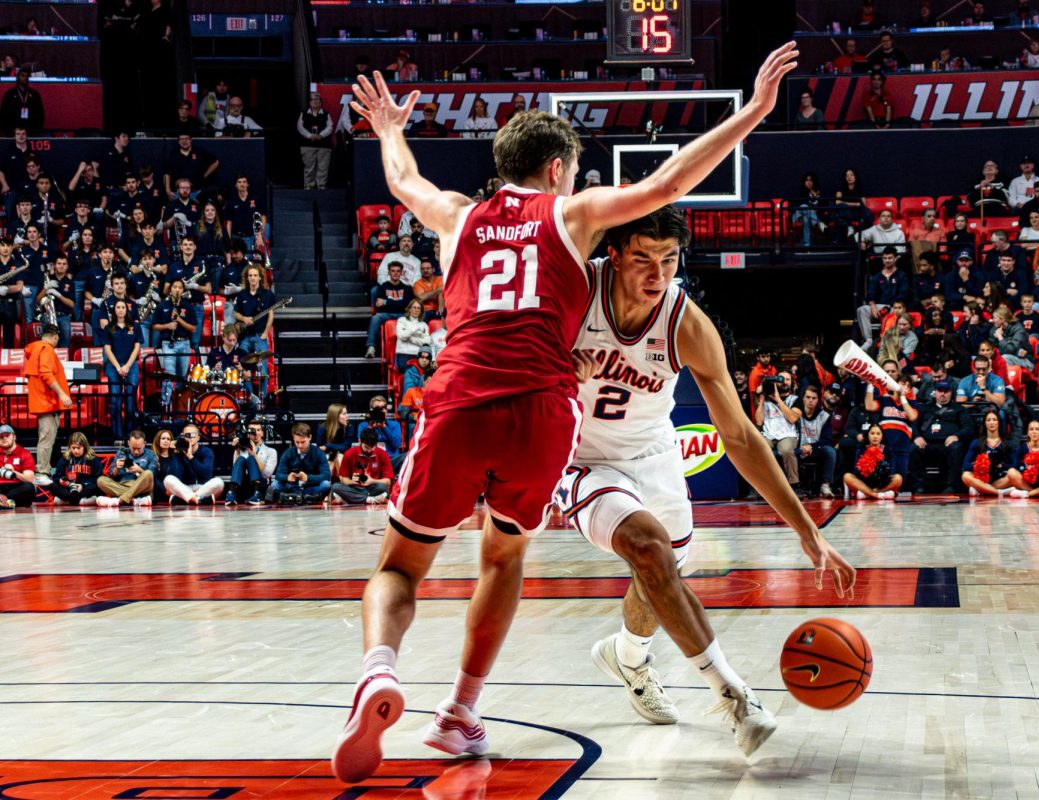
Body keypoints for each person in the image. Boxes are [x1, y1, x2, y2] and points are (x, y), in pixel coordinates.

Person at [333, 44, 809, 783]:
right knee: (502, 558)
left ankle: (379, 670)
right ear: (558, 169)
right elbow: (669, 181)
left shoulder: (457, 215)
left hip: (461, 397)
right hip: (544, 415)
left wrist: (391, 129)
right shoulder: (573, 214)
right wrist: (752, 112)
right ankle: (460, 709)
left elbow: (402, 180)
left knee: (399, 566)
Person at [556, 207, 853, 751]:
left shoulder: (686, 323)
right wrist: (551, 368)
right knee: (650, 550)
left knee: (661, 575)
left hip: (656, 455)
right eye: (642, 259)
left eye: (668, 260)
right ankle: (735, 697)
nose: (657, 275)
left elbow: (739, 435)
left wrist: (807, 530)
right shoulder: (574, 291)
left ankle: (627, 657)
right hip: (581, 458)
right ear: (613, 255)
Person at [24, 323, 70, 476]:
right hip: (48, 402)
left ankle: (44, 469)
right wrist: (62, 394)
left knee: (46, 438)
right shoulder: (47, 349)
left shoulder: (36, 348)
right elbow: (46, 374)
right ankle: (42, 471)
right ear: (55, 337)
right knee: (46, 439)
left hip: (44, 402)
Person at [909, 381, 971, 493]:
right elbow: (913, 425)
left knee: (957, 448)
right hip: (927, 444)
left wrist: (957, 436)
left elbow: (969, 427)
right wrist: (917, 437)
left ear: (951, 393)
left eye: (946, 391)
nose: (943, 394)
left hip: (948, 445)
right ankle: (919, 486)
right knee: (912, 448)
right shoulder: (924, 408)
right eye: (940, 391)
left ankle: (952, 486)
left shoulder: (959, 409)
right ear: (935, 392)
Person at [864, 371, 918, 491]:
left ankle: (883, 493)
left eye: (909, 386)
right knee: (881, 478)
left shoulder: (912, 403)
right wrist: (870, 385)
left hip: (902, 448)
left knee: (899, 483)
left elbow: (912, 417)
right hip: (884, 448)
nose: (905, 387)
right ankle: (876, 492)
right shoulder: (885, 399)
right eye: (903, 383)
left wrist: (903, 397)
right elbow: (869, 406)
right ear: (895, 384)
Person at [101, 298, 142, 440]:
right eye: (118, 307)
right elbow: (107, 349)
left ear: (126, 309)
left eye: (123, 307)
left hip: (131, 366)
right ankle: (117, 436)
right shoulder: (109, 328)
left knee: (130, 403)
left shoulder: (134, 327)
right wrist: (119, 367)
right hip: (114, 367)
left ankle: (131, 436)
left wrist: (127, 366)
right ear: (114, 310)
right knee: (115, 402)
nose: (120, 310)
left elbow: (137, 347)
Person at [152, 279, 197, 410]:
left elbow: (193, 328)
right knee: (169, 375)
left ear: (183, 291)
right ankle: (165, 406)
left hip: (184, 343)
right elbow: (154, 326)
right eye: (175, 287)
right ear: (170, 289)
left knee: (181, 377)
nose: (177, 290)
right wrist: (167, 326)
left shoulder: (188, 306)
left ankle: (178, 406)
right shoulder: (162, 306)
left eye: (180, 287)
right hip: (168, 343)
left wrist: (179, 320)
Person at [754, 371, 801, 491]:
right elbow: (759, 421)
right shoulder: (766, 399)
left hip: (787, 434)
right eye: (781, 379)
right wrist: (762, 399)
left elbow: (792, 418)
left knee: (786, 450)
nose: (784, 382)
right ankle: (763, 486)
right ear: (775, 382)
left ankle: (794, 484)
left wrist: (778, 400)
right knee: (759, 448)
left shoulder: (795, 399)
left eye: (788, 379)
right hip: (768, 434)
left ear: (792, 383)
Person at [856, 246, 908, 346]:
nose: (887, 260)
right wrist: (873, 306)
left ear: (895, 258)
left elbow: (903, 293)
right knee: (862, 310)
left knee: (895, 310)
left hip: (894, 306)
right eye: (885, 258)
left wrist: (893, 306)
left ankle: (889, 340)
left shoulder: (902, 275)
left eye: (890, 258)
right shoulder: (877, 277)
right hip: (879, 306)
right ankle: (868, 340)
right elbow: (871, 293)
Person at [161, 424, 224, 505]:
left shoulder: (206, 451)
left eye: (193, 435)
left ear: (198, 437)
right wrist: (176, 454)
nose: (190, 438)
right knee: (168, 479)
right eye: (187, 435)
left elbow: (206, 474)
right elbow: (176, 475)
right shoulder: (179, 452)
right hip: (185, 488)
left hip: (204, 488)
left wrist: (191, 457)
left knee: (219, 482)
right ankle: (198, 500)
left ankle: (188, 499)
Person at [270, 422, 331, 503]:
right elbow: (278, 475)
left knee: (326, 485)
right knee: (275, 484)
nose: (300, 445)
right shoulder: (288, 452)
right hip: (291, 487)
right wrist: (287, 477)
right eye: (297, 442)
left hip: (311, 487)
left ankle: (302, 497)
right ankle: (304, 497)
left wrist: (308, 477)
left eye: (303, 442)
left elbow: (326, 476)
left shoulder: (318, 453)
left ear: (310, 437)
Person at [330, 427, 394, 505]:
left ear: (376, 444)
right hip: (354, 488)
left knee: (382, 487)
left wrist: (372, 480)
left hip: (373, 488)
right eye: (366, 447)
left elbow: (388, 481)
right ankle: (369, 499)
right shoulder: (349, 453)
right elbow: (344, 480)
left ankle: (350, 499)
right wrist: (352, 481)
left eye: (372, 447)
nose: (369, 451)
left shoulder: (383, 454)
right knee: (335, 487)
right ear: (360, 441)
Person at [365, 262, 413, 359]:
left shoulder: (407, 288)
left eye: (398, 271)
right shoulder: (383, 287)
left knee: (412, 319)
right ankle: (371, 347)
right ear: (389, 273)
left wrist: (386, 302)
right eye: (393, 271)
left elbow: (406, 305)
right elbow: (379, 306)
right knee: (375, 318)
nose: (395, 273)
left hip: (402, 315)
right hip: (386, 314)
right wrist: (398, 304)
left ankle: (411, 348)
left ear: (401, 273)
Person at [96, 429, 156, 507]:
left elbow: (152, 475)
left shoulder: (151, 454)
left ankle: (121, 499)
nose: (136, 452)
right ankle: (134, 499)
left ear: (144, 443)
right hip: (121, 484)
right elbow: (112, 475)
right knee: (100, 480)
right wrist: (117, 468)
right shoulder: (121, 453)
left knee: (148, 473)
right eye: (133, 448)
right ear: (128, 443)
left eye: (139, 449)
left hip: (140, 486)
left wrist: (139, 470)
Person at [961, 408, 1013, 496]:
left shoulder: (1006, 443)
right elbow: (965, 465)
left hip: (999, 478)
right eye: (988, 420)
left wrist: (1001, 466)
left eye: (994, 420)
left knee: (1013, 475)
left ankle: (981, 490)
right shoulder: (977, 442)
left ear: (999, 423)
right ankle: (998, 492)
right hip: (981, 478)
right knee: (965, 475)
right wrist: (979, 466)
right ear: (985, 423)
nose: (991, 422)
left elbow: (1014, 465)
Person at [843, 423, 901, 499]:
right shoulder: (861, 448)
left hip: (882, 483)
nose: (875, 436)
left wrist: (882, 470)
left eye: (878, 434)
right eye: (872, 433)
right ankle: (876, 495)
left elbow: (892, 470)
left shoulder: (887, 450)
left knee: (898, 478)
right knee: (847, 476)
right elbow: (856, 471)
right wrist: (866, 468)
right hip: (865, 482)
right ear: (868, 435)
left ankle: (871, 493)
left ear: (882, 436)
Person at [227, 420, 276, 506]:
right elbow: (236, 469)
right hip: (244, 485)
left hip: (260, 485)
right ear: (248, 433)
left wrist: (254, 455)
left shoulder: (271, 451)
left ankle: (257, 494)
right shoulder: (241, 449)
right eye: (252, 430)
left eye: (258, 430)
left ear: (262, 433)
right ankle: (231, 493)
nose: (255, 433)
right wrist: (237, 451)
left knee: (250, 458)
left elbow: (266, 474)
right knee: (241, 458)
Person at [47, 432, 102, 506]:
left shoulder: (93, 459)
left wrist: (83, 486)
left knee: (97, 485)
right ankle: (80, 501)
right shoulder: (65, 459)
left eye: (78, 448)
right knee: (51, 485)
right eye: (73, 448)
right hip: (69, 488)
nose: (76, 450)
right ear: (69, 447)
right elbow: (56, 477)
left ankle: (67, 501)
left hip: (85, 489)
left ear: (85, 447)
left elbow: (98, 478)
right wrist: (61, 481)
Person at [298, 92, 334, 190]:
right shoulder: (303, 114)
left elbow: (330, 127)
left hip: (324, 146)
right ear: (309, 102)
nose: (315, 102)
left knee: (323, 167)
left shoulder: (326, 114)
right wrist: (310, 136)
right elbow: (300, 127)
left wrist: (321, 135)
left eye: (317, 100)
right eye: (313, 100)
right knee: (309, 167)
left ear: (321, 102)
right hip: (307, 145)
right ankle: (308, 186)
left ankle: (322, 186)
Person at [0, 423, 36, 508]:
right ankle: (6, 502)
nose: (4, 438)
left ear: (14, 437)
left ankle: (3, 501)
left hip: (17, 487)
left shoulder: (25, 453)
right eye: (1, 437)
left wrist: (14, 473)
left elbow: (30, 479)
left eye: (7, 435)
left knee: (29, 487)